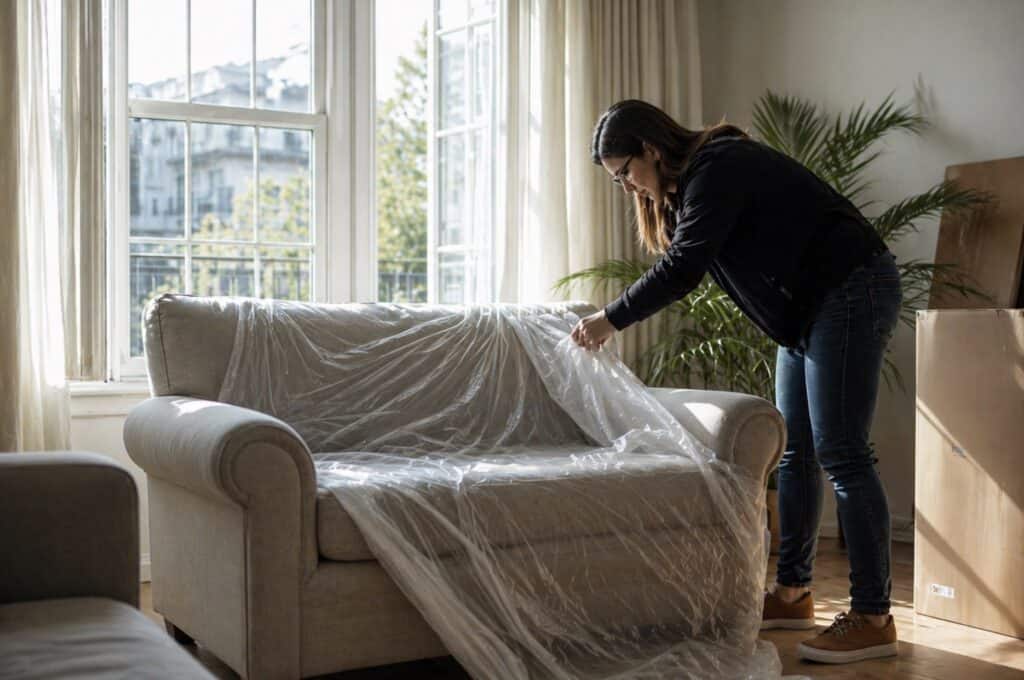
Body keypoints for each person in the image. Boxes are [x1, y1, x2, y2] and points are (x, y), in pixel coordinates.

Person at [571, 99, 902, 665]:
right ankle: (794, 593)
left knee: (843, 452)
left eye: (626, 173)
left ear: (651, 150)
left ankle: (873, 616)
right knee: (794, 453)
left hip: (851, 289)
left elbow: (684, 268)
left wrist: (610, 319)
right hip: (808, 313)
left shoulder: (718, 166)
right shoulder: (688, 189)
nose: (627, 188)